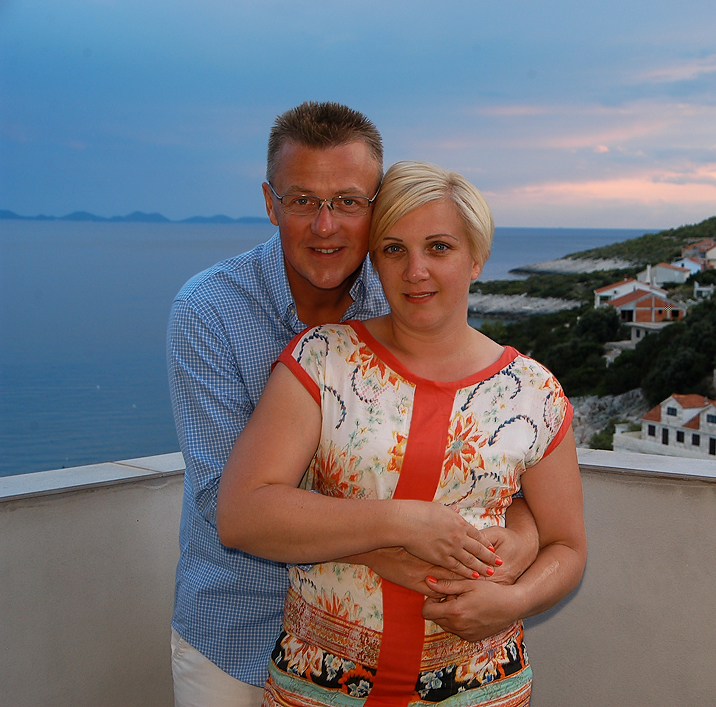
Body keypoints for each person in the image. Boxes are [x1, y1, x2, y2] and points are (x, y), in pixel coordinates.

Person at [168, 104, 540, 706]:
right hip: (235, 632)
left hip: (372, 659)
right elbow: (225, 503)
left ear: (376, 206)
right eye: (302, 201)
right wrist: (393, 542)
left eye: (347, 201)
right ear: (270, 204)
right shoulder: (209, 311)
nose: (325, 226)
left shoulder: (404, 296)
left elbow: (491, 466)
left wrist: (518, 541)